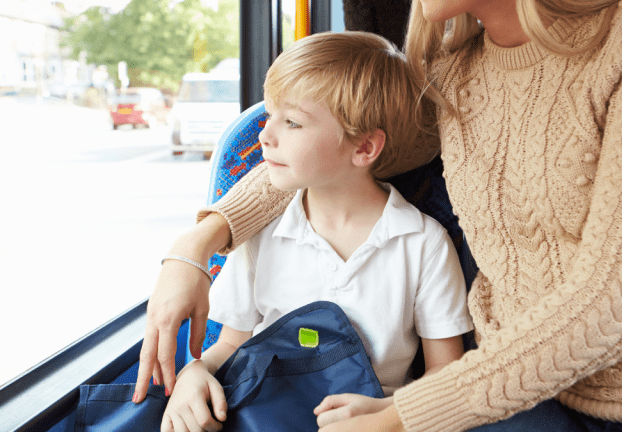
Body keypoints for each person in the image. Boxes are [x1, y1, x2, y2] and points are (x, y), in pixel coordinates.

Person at [136, 0, 622, 430]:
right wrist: (199, 242)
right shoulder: (452, 69)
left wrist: (402, 413)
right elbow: (332, 157)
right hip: (509, 391)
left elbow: (615, 309)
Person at [156, 31, 473, 432]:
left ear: (363, 148)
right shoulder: (261, 234)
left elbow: (446, 373)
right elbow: (231, 345)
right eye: (270, 116)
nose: (265, 136)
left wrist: (388, 413)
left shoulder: (423, 243)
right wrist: (194, 374)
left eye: (292, 122)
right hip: (268, 413)